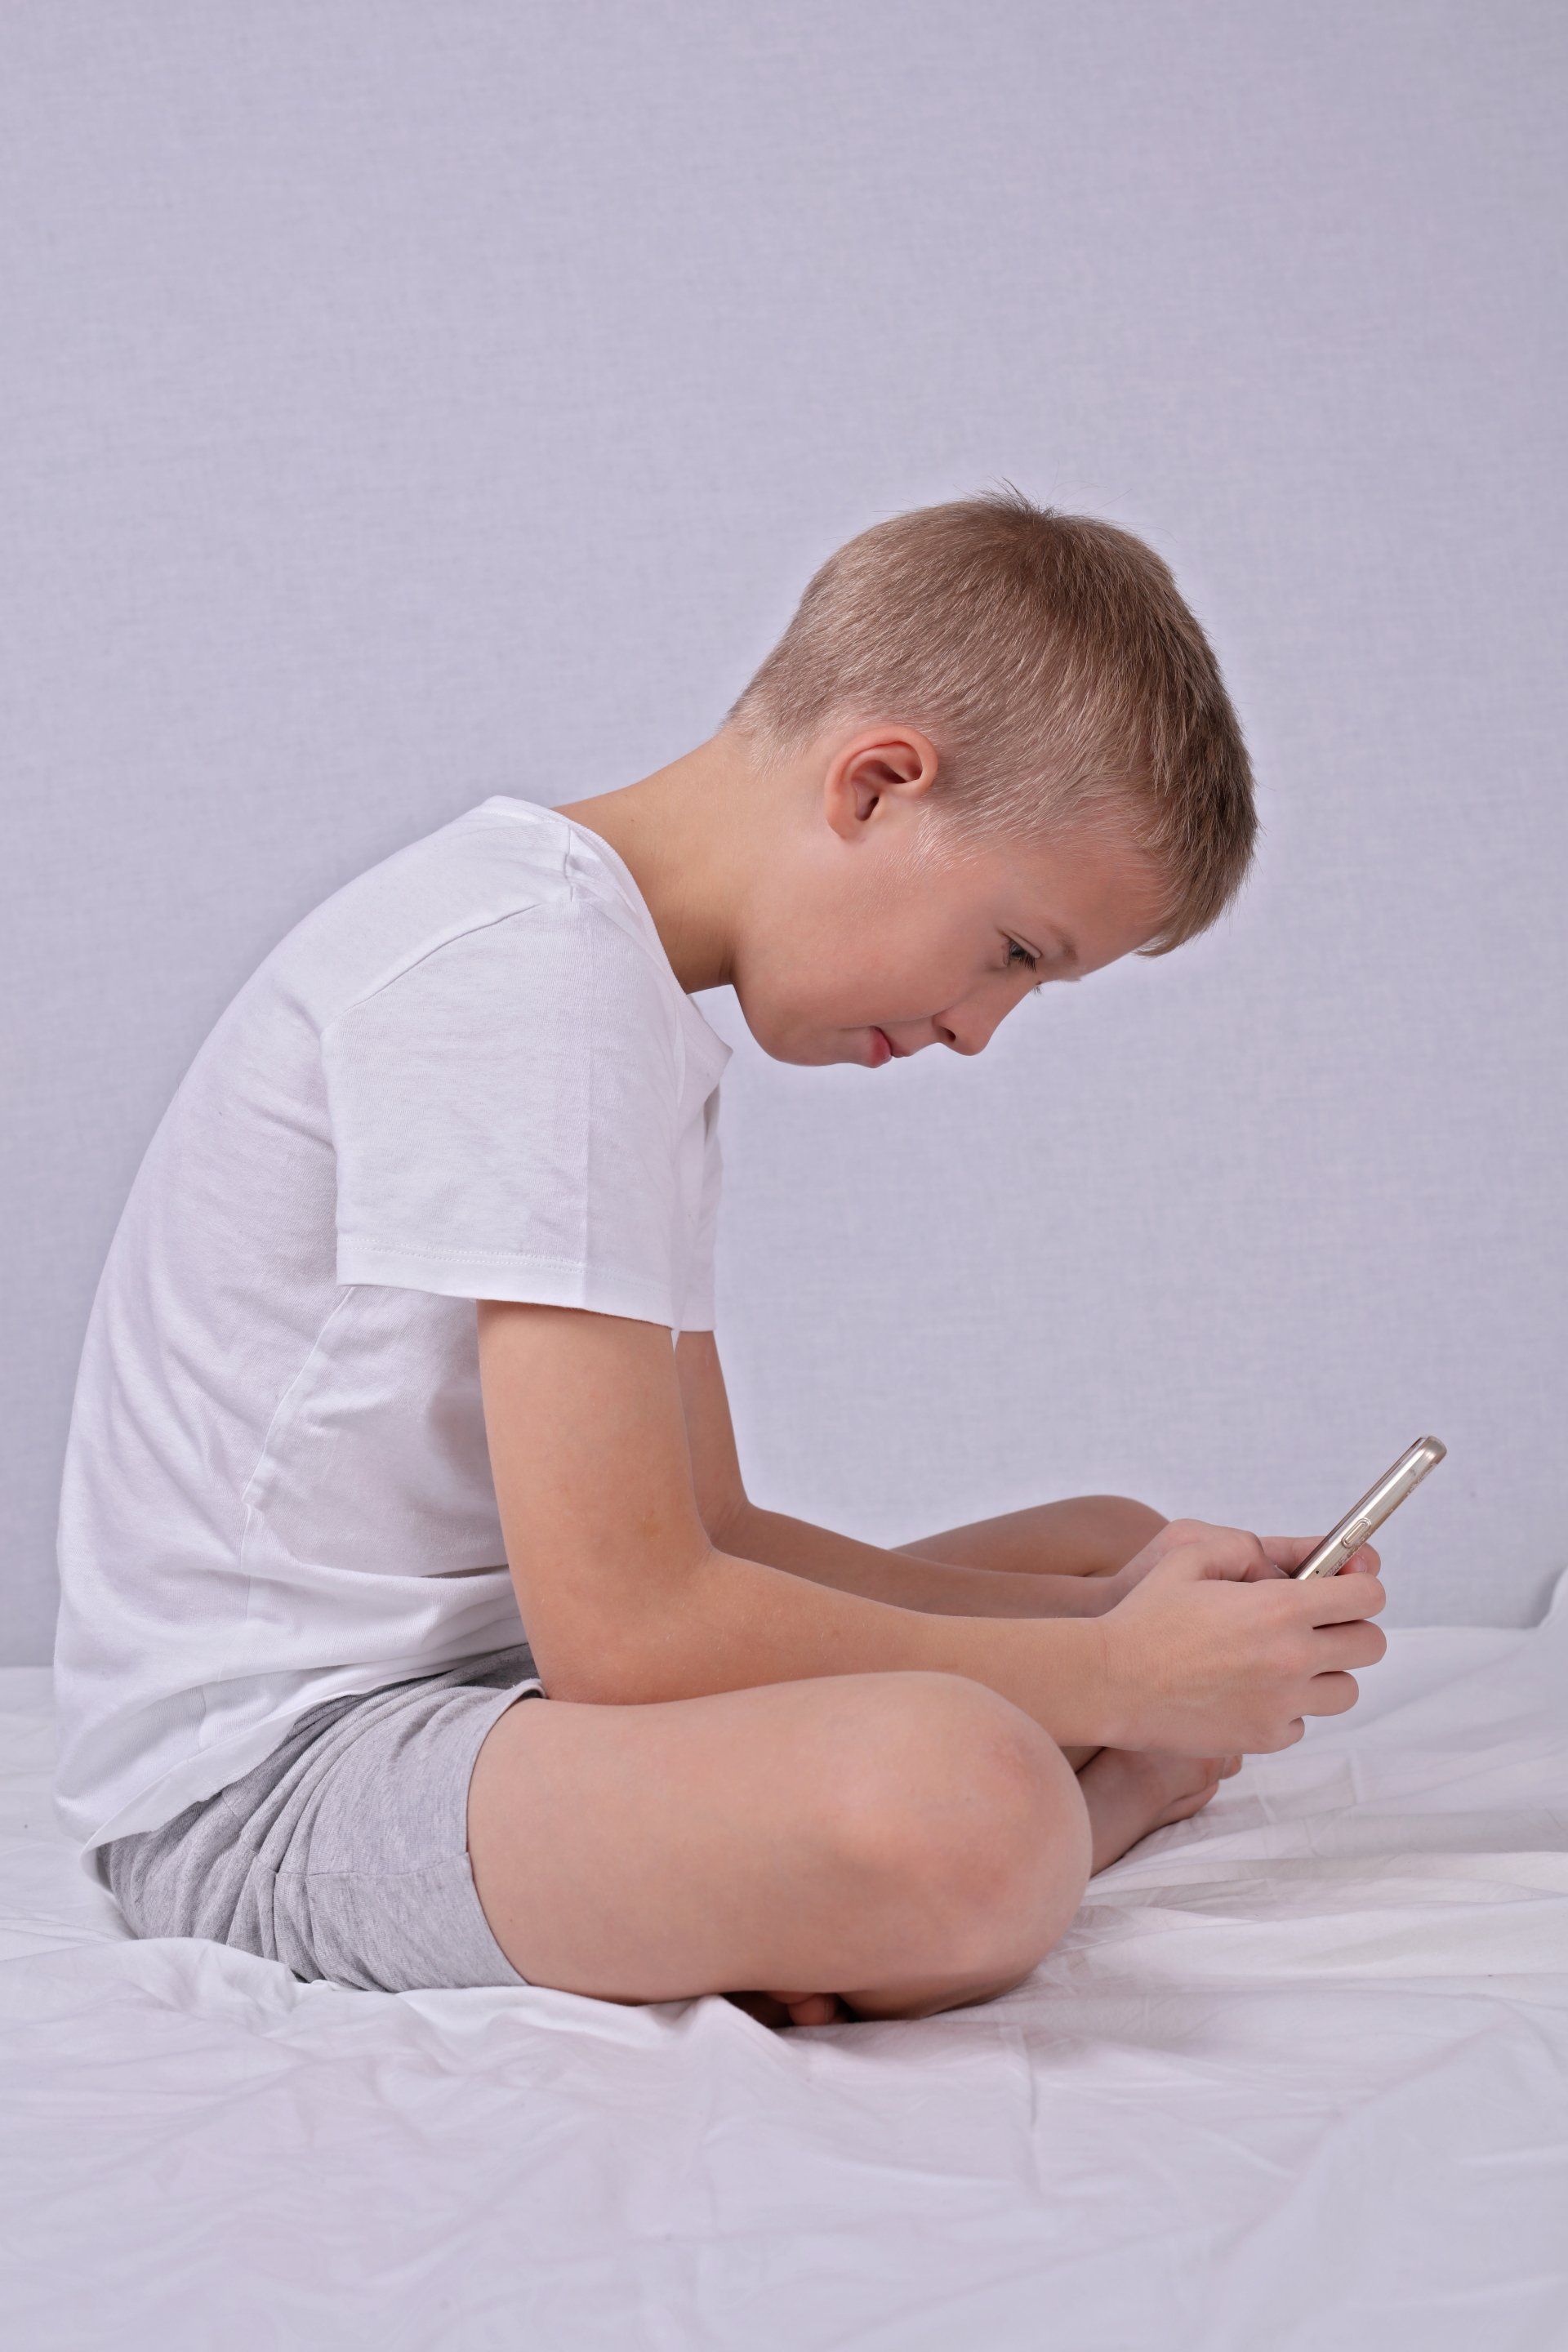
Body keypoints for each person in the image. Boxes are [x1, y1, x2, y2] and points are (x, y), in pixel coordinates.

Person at [53, 489, 1385, 2029]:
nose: (981, 1029)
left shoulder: (616, 994)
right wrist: (1126, 1694)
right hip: (274, 1784)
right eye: (1015, 952)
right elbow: (632, 1639)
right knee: (965, 1799)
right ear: (877, 784)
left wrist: (1124, 1625)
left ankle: (776, 1892)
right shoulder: (527, 984)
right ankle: (1072, 1828)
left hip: (500, 1680)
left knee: (1104, 1546)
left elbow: (714, 1533)